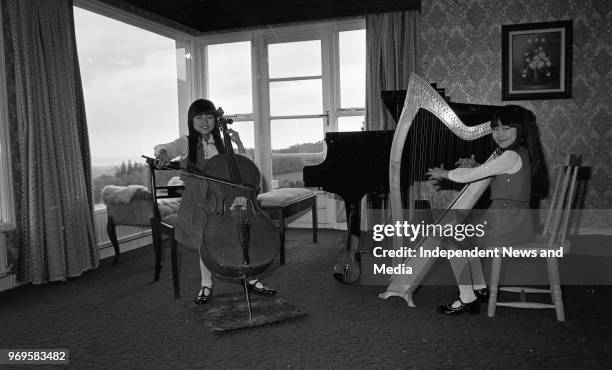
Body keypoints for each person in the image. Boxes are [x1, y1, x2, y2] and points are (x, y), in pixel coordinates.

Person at [426, 104, 545, 315]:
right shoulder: (521, 154)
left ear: (521, 130)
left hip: (506, 225)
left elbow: (470, 177)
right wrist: (477, 167)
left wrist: (444, 173)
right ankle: (480, 288)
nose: (500, 134)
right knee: (465, 234)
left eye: (506, 128)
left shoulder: (510, 156)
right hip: (517, 223)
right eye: (496, 128)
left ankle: (467, 298)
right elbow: (496, 174)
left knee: (450, 236)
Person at [154, 98, 276, 304]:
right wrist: (163, 152)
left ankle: (251, 278)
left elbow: (244, 168)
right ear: (191, 120)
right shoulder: (186, 142)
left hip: (223, 200)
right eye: (199, 117)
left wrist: (237, 143)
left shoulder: (221, 143)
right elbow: (166, 147)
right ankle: (206, 284)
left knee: (242, 233)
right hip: (198, 202)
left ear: (215, 120)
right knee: (207, 239)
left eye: (209, 117)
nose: (204, 122)